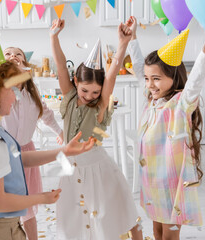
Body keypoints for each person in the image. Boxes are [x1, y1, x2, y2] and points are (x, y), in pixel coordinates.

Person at [0, 59, 94, 240]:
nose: (16, 97)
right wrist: (41, 198)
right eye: (13, 90)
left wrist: (64, 151)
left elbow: (17, 158)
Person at [128, 14, 205, 240]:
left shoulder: (180, 104)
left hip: (172, 185)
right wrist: (133, 38)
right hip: (152, 180)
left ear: (173, 78)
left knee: (169, 235)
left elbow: (197, 78)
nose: (150, 84)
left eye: (156, 78)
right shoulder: (152, 100)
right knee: (156, 231)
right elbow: (138, 70)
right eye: (147, 79)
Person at [50, 18, 143, 240]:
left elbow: (111, 76)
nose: (90, 96)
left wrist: (122, 44)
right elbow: (61, 66)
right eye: (85, 91)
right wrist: (53, 37)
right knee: (73, 216)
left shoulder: (101, 106)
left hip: (97, 167)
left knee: (109, 214)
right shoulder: (70, 97)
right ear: (75, 83)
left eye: (95, 92)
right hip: (72, 168)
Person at [2, 46, 63, 240]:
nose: (13, 56)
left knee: (28, 207)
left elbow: (47, 115)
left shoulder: (31, 95)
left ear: (26, 66)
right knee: (8, 205)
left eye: (18, 54)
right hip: (4, 155)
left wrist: (61, 133)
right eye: (8, 54)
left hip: (28, 152)